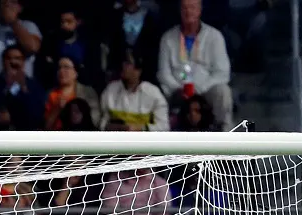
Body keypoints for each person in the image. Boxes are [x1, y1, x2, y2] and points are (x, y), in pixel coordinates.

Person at [156, 0, 233, 131]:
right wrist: (179, 89)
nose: (188, 11)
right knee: (157, 93)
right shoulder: (168, 38)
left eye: (192, 7)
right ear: (180, 11)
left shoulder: (214, 36)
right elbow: (163, 73)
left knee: (223, 92)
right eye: (184, 8)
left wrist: (199, 88)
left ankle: (225, 133)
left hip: (206, 89)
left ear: (200, 10)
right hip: (177, 90)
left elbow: (222, 72)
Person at [100, 51, 168, 131]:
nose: (123, 66)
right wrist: (109, 127)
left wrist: (141, 128)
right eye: (123, 62)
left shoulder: (153, 94)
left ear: (138, 71)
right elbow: (102, 121)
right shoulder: (110, 90)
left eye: (128, 63)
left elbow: (164, 126)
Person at [43, 56, 99, 131]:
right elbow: (45, 127)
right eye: (59, 68)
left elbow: (95, 121)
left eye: (66, 67)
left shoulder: (88, 92)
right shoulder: (50, 94)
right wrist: (56, 109)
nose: (61, 71)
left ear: (76, 73)